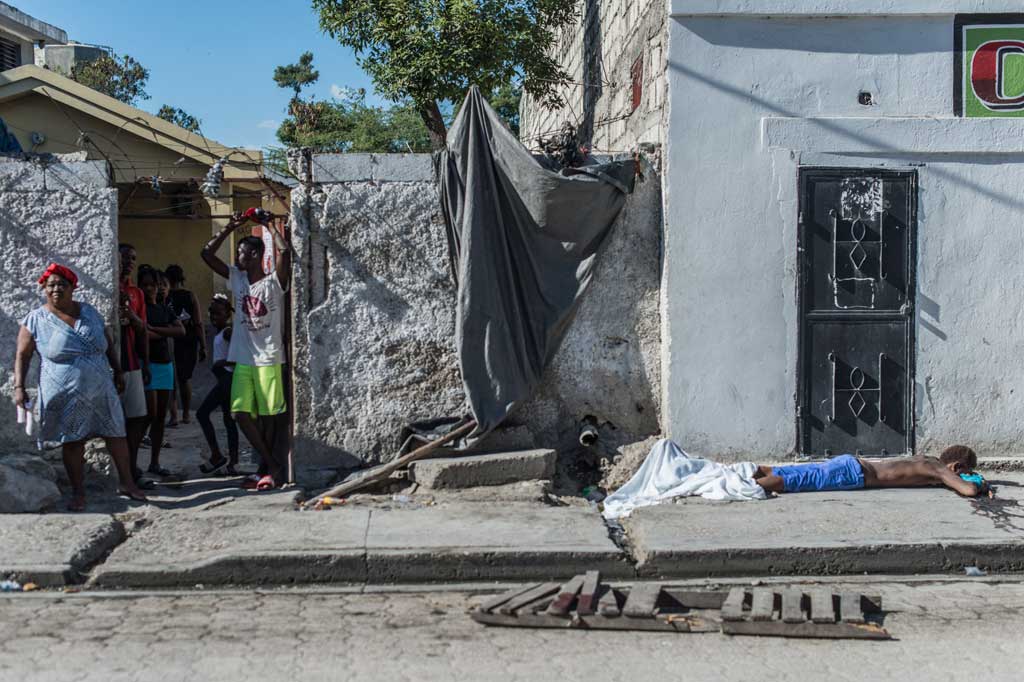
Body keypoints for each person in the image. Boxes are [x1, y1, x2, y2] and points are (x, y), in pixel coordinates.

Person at [13, 263, 148, 510]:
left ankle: (127, 483)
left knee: (116, 434)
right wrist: (18, 387)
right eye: (50, 285)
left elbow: (107, 341)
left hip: (101, 388)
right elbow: (23, 355)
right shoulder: (35, 319)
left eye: (61, 284)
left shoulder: (88, 311)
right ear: (43, 288)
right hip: (64, 392)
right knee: (73, 440)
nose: (56, 289)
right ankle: (78, 493)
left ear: (72, 288)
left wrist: (117, 370)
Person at [201, 209, 291, 490]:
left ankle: (266, 469)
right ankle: (271, 465)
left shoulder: (273, 283)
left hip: (268, 357)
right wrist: (230, 227)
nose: (237, 257)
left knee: (269, 417)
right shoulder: (237, 279)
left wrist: (268, 225)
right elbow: (206, 254)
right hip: (242, 357)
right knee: (239, 413)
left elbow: (285, 252)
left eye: (241, 252)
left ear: (253, 256)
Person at [753, 445, 990, 497]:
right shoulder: (939, 469)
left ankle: (745, 473)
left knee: (794, 472)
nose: (962, 475)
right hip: (854, 474)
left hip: (852, 464)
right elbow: (968, 490)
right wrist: (979, 483)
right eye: (963, 471)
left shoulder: (928, 461)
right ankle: (746, 487)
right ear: (956, 467)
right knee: (795, 482)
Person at [138, 266, 184, 477]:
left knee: (160, 417)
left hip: (165, 364)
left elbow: (180, 331)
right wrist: (163, 332)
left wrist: (155, 330)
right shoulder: (140, 309)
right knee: (148, 414)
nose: (149, 289)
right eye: (145, 285)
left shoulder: (165, 308)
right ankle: (133, 459)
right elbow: (142, 335)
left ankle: (154, 462)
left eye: (153, 285)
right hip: (147, 364)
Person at [118, 243, 151, 488]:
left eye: (132, 258)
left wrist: (145, 362)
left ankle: (132, 464)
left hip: (131, 360)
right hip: (110, 362)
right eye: (125, 258)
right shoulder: (111, 286)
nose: (129, 262)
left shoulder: (136, 293)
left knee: (138, 416)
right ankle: (122, 470)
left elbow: (142, 330)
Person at [196, 295, 239, 475]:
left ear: (227, 315)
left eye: (218, 313)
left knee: (202, 413)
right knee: (229, 421)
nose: (214, 317)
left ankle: (217, 455)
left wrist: (222, 363)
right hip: (223, 379)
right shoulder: (221, 332)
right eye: (211, 313)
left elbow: (240, 354)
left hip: (227, 380)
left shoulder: (228, 331)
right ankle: (232, 462)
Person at [164, 264, 206, 426]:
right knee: (185, 378)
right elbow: (198, 323)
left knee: (171, 379)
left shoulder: (165, 296)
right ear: (182, 278)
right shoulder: (190, 296)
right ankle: (186, 414)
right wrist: (203, 346)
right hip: (189, 340)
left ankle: (174, 415)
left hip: (169, 339)